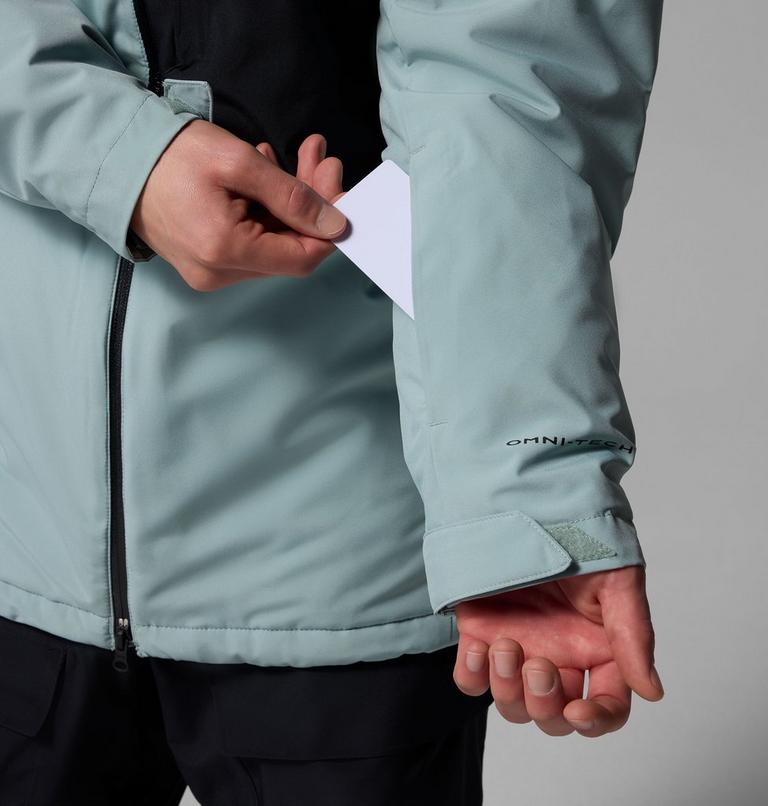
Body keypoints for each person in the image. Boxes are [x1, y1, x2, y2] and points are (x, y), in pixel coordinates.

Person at [0, 1, 666, 804]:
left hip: (340, 569)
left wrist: (527, 506)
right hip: (23, 540)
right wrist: (116, 155)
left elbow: (509, 87)